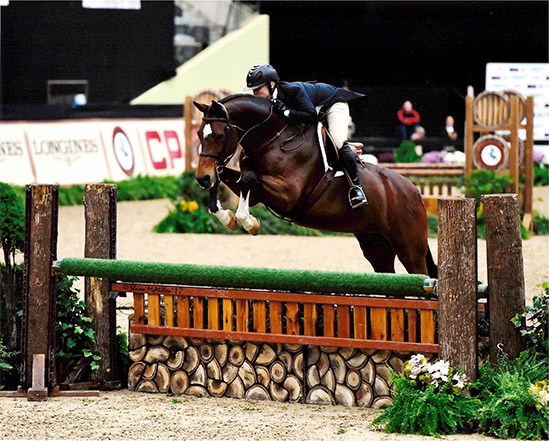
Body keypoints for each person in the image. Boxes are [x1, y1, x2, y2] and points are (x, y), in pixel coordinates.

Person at [244, 64, 367, 208]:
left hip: (333, 105)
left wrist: (287, 112)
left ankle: (357, 188)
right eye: (253, 90)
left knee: (338, 142)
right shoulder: (271, 100)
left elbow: (311, 116)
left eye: (258, 88)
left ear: (271, 85)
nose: (255, 93)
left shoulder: (292, 91)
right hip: (314, 110)